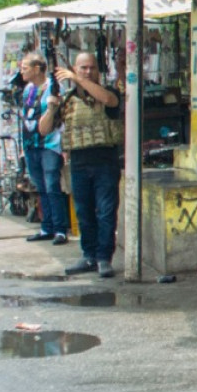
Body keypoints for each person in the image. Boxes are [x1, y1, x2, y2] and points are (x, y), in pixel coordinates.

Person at [46, 51, 122, 277]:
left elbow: (109, 100)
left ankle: (103, 258)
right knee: (84, 213)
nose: (88, 72)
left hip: (105, 162)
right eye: (83, 68)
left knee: (106, 212)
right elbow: (44, 129)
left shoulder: (109, 93)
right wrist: (51, 108)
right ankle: (89, 256)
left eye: (92, 68)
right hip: (79, 163)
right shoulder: (68, 99)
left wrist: (77, 79)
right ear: (75, 69)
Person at [17, 56, 68, 256]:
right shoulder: (28, 90)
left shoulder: (53, 89)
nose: (22, 71)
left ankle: (60, 229)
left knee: (52, 186)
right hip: (31, 144)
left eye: (25, 67)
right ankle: (46, 226)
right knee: (40, 187)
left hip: (49, 144)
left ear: (38, 69)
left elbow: (58, 115)